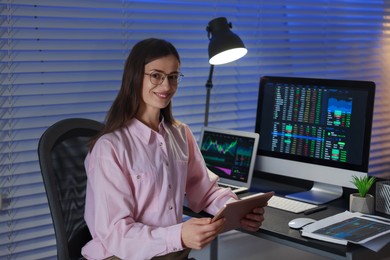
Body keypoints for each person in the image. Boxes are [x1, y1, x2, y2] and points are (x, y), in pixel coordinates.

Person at [81, 38, 266, 260]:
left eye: (173, 77)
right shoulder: (109, 148)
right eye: (156, 75)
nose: (167, 86)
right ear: (135, 77)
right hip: (119, 255)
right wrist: (178, 235)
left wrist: (236, 210)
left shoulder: (180, 134)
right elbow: (116, 235)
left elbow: (205, 192)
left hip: (169, 252)